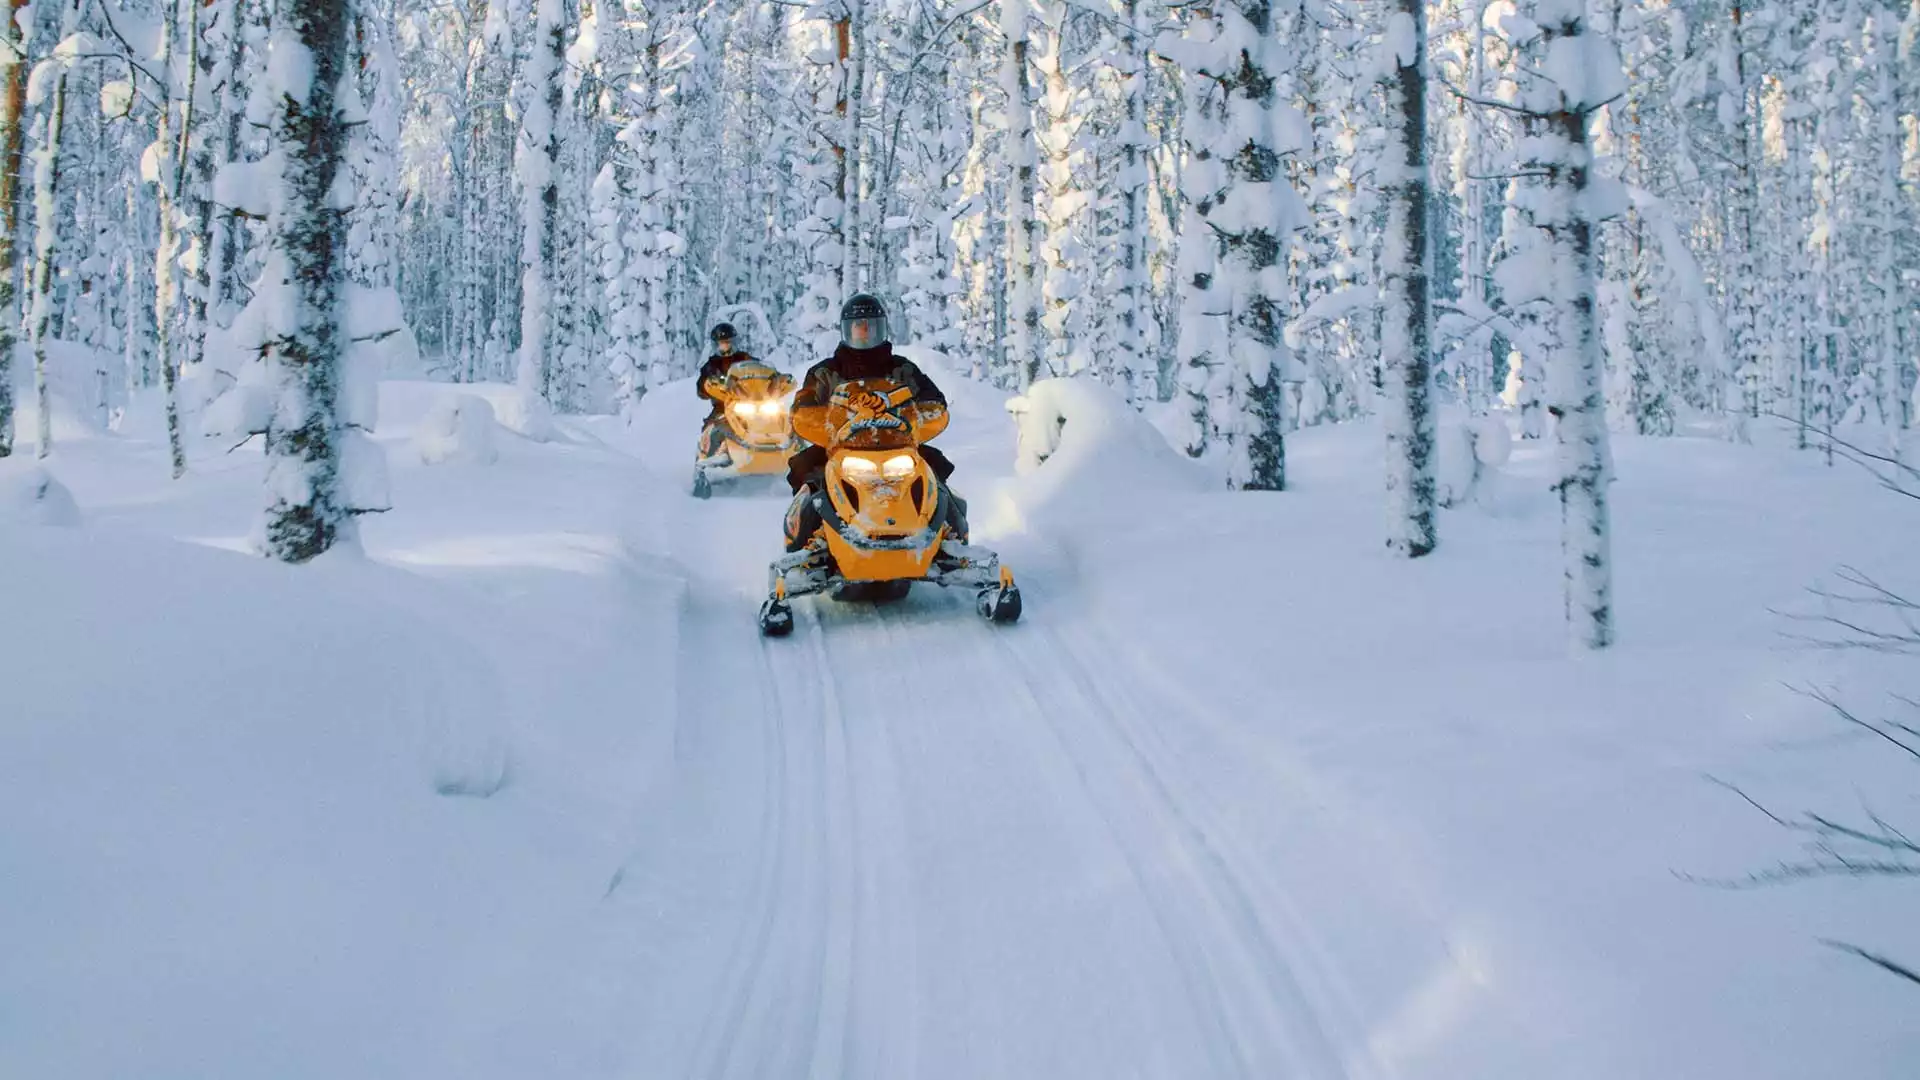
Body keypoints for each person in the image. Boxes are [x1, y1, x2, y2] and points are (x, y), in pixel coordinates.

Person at [785, 294, 967, 547]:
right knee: (808, 480)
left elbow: (933, 400)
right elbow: (804, 405)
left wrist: (923, 414)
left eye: (871, 325)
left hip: (899, 445)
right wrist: (810, 416)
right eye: (858, 326)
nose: (864, 332)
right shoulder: (824, 372)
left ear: (881, 328)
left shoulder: (903, 369)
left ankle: (951, 541)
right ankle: (806, 546)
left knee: (935, 477)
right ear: (846, 330)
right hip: (839, 448)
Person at [696, 323, 753, 458]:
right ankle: (710, 460)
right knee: (713, 427)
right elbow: (701, 387)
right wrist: (708, 385)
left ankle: (793, 450)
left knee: (778, 417)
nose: (726, 347)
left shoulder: (745, 358)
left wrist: (775, 379)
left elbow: (762, 371)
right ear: (716, 346)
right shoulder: (711, 365)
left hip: (751, 402)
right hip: (723, 406)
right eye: (722, 344)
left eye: (728, 343)